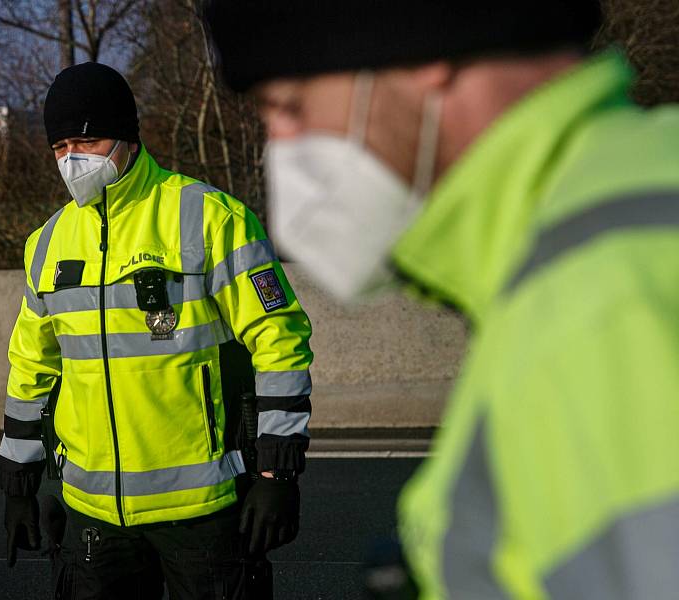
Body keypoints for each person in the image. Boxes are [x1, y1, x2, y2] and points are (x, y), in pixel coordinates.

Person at [205, 1, 679, 597]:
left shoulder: (603, 305)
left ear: (422, 53)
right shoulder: (598, 239)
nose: (282, 148)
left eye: (290, 107)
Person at [0, 61, 313, 599]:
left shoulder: (209, 217)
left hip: (204, 514)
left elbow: (279, 339)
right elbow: (33, 366)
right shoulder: (46, 243)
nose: (73, 158)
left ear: (126, 136)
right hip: (93, 517)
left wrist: (277, 472)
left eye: (89, 139)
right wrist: (18, 482)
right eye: (60, 146)